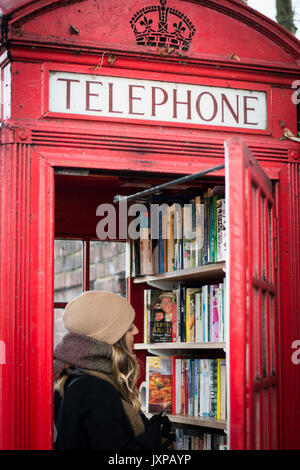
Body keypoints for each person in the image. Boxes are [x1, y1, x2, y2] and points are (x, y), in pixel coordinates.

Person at [54, 290, 171, 450]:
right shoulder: (96, 390)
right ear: (112, 339)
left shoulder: (69, 375)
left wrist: (150, 427)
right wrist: (153, 435)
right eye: (129, 328)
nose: (136, 330)